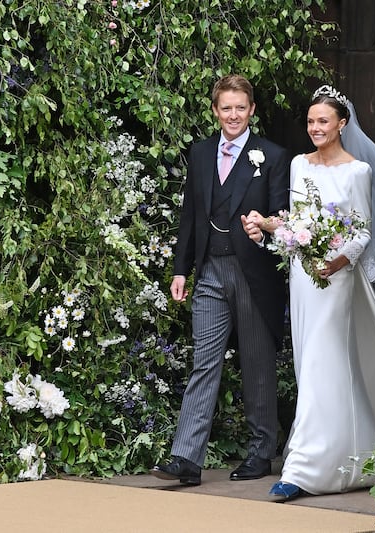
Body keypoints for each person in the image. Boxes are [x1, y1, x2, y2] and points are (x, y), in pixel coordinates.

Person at [245, 85, 375, 501]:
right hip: (304, 276)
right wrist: (270, 227)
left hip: (335, 277)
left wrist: (336, 262)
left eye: (323, 121)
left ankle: (304, 469)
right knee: (312, 366)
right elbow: (298, 221)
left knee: (323, 361)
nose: (315, 128)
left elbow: (360, 232)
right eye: (310, 121)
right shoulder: (300, 165)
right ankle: (351, 455)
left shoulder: (358, 171)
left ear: (342, 124)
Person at [151, 74, 290, 486]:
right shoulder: (200, 152)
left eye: (240, 107)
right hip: (210, 270)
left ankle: (262, 452)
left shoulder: (274, 155)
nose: (233, 115)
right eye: (226, 107)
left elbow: (284, 216)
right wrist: (181, 269)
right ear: (216, 111)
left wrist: (263, 226)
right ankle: (186, 460)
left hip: (253, 273)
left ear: (252, 111)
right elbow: (190, 217)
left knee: (257, 364)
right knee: (204, 362)